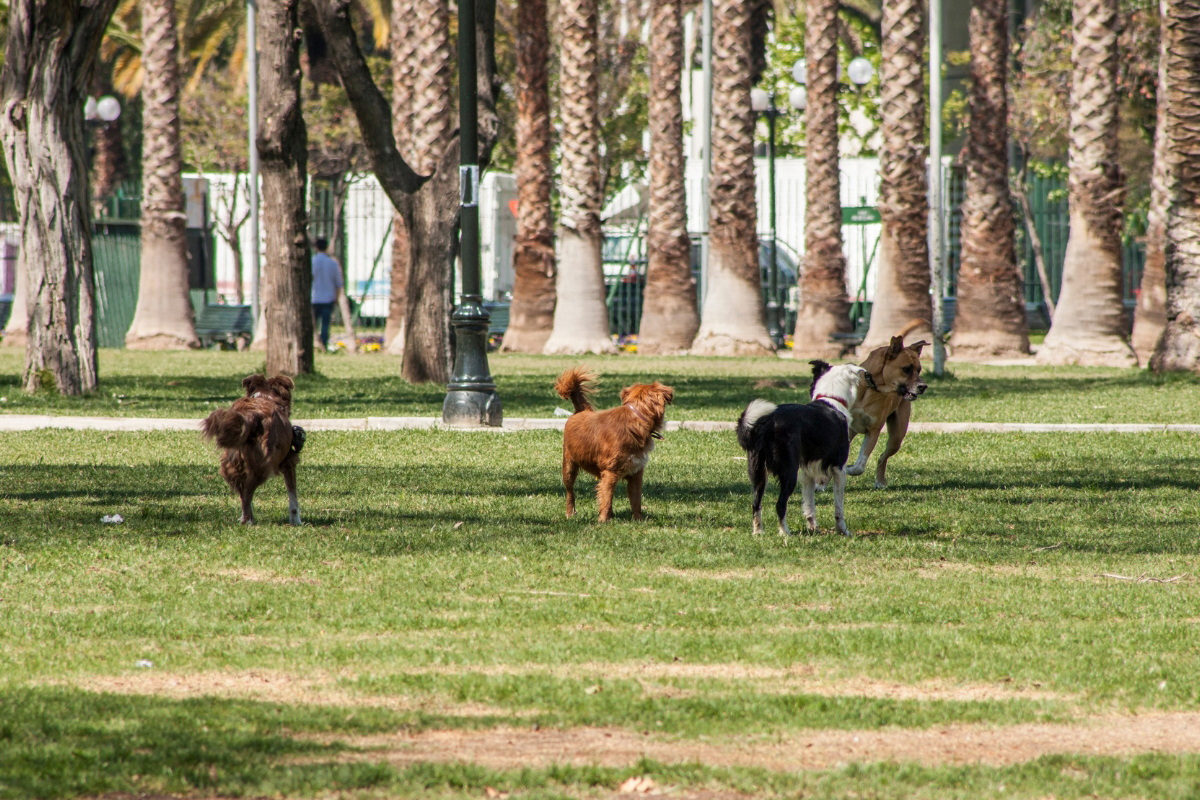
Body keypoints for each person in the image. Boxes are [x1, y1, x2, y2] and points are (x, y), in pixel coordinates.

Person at [311, 237, 344, 351]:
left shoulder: (312, 262)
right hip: (328, 298)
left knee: (311, 325)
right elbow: (338, 283)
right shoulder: (332, 263)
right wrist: (336, 298)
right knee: (325, 325)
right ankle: (323, 346)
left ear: (316, 247)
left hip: (314, 298)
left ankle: (313, 344)